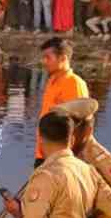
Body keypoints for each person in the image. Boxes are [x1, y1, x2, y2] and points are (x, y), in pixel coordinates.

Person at [35, 37, 87, 165]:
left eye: (48, 57)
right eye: (43, 57)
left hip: (60, 159)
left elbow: (81, 126)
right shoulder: (52, 81)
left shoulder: (74, 83)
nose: (44, 61)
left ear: (63, 58)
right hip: (44, 154)